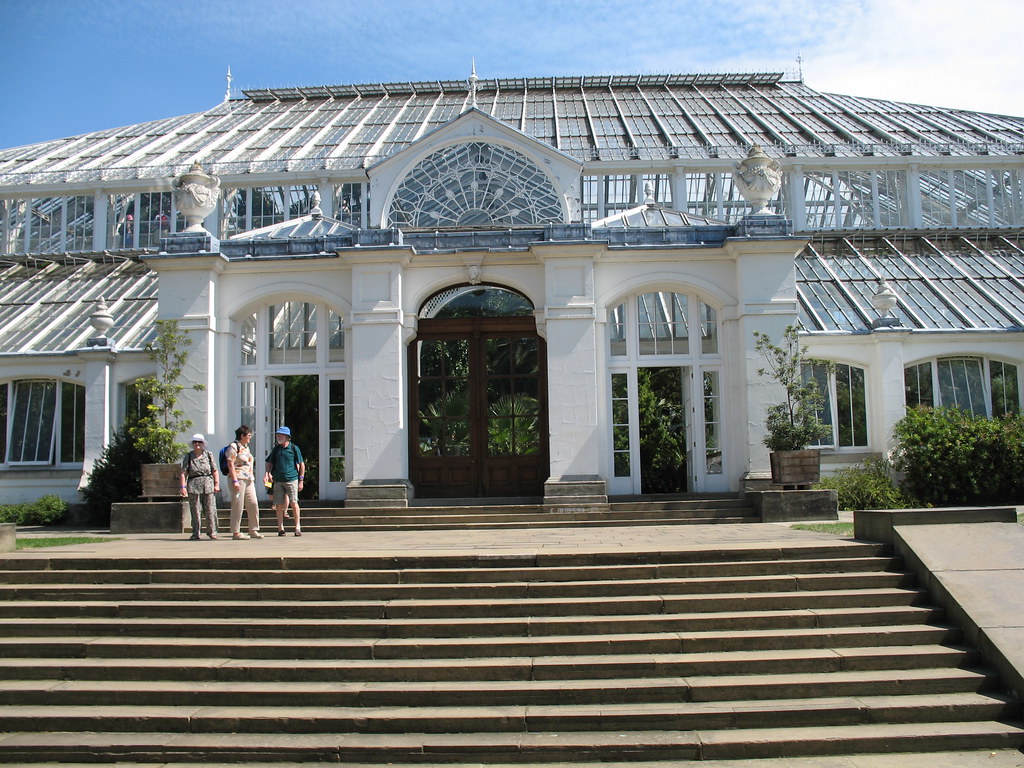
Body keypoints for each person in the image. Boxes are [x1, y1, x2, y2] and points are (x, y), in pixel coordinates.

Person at [264, 426, 304, 536]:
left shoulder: (294, 448)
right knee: (279, 504)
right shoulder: (276, 449)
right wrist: (267, 473)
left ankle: (297, 527)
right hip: (278, 480)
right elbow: (269, 462)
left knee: (294, 502)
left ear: (287, 437)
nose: (278, 437)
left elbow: (301, 464)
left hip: (292, 479)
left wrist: (301, 480)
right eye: (277, 435)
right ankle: (280, 528)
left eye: (281, 435)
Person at [225, 425, 263, 540]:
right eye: (249, 435)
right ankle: (236, 531)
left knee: (253, 503)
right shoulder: (233, 446)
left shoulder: (246, 448)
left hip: (249, 479)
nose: (250, 438)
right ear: (242, 436)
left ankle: (253, 529)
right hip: (238, 478)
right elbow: (230, 463)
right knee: (238, 504)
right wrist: (235, 480)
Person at [180, 434, 219, 540]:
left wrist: (216, 483)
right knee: (195, 509)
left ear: (203, 444)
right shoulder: (188, 456)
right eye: (195, 442)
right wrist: (183, 487)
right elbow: (183, 473)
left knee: (210, 509)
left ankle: (212, 531)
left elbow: (215, 471)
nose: (197, 444)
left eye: (199, 442)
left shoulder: (209, 455)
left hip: (208, 483)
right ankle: (196, 532)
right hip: (193, 484)